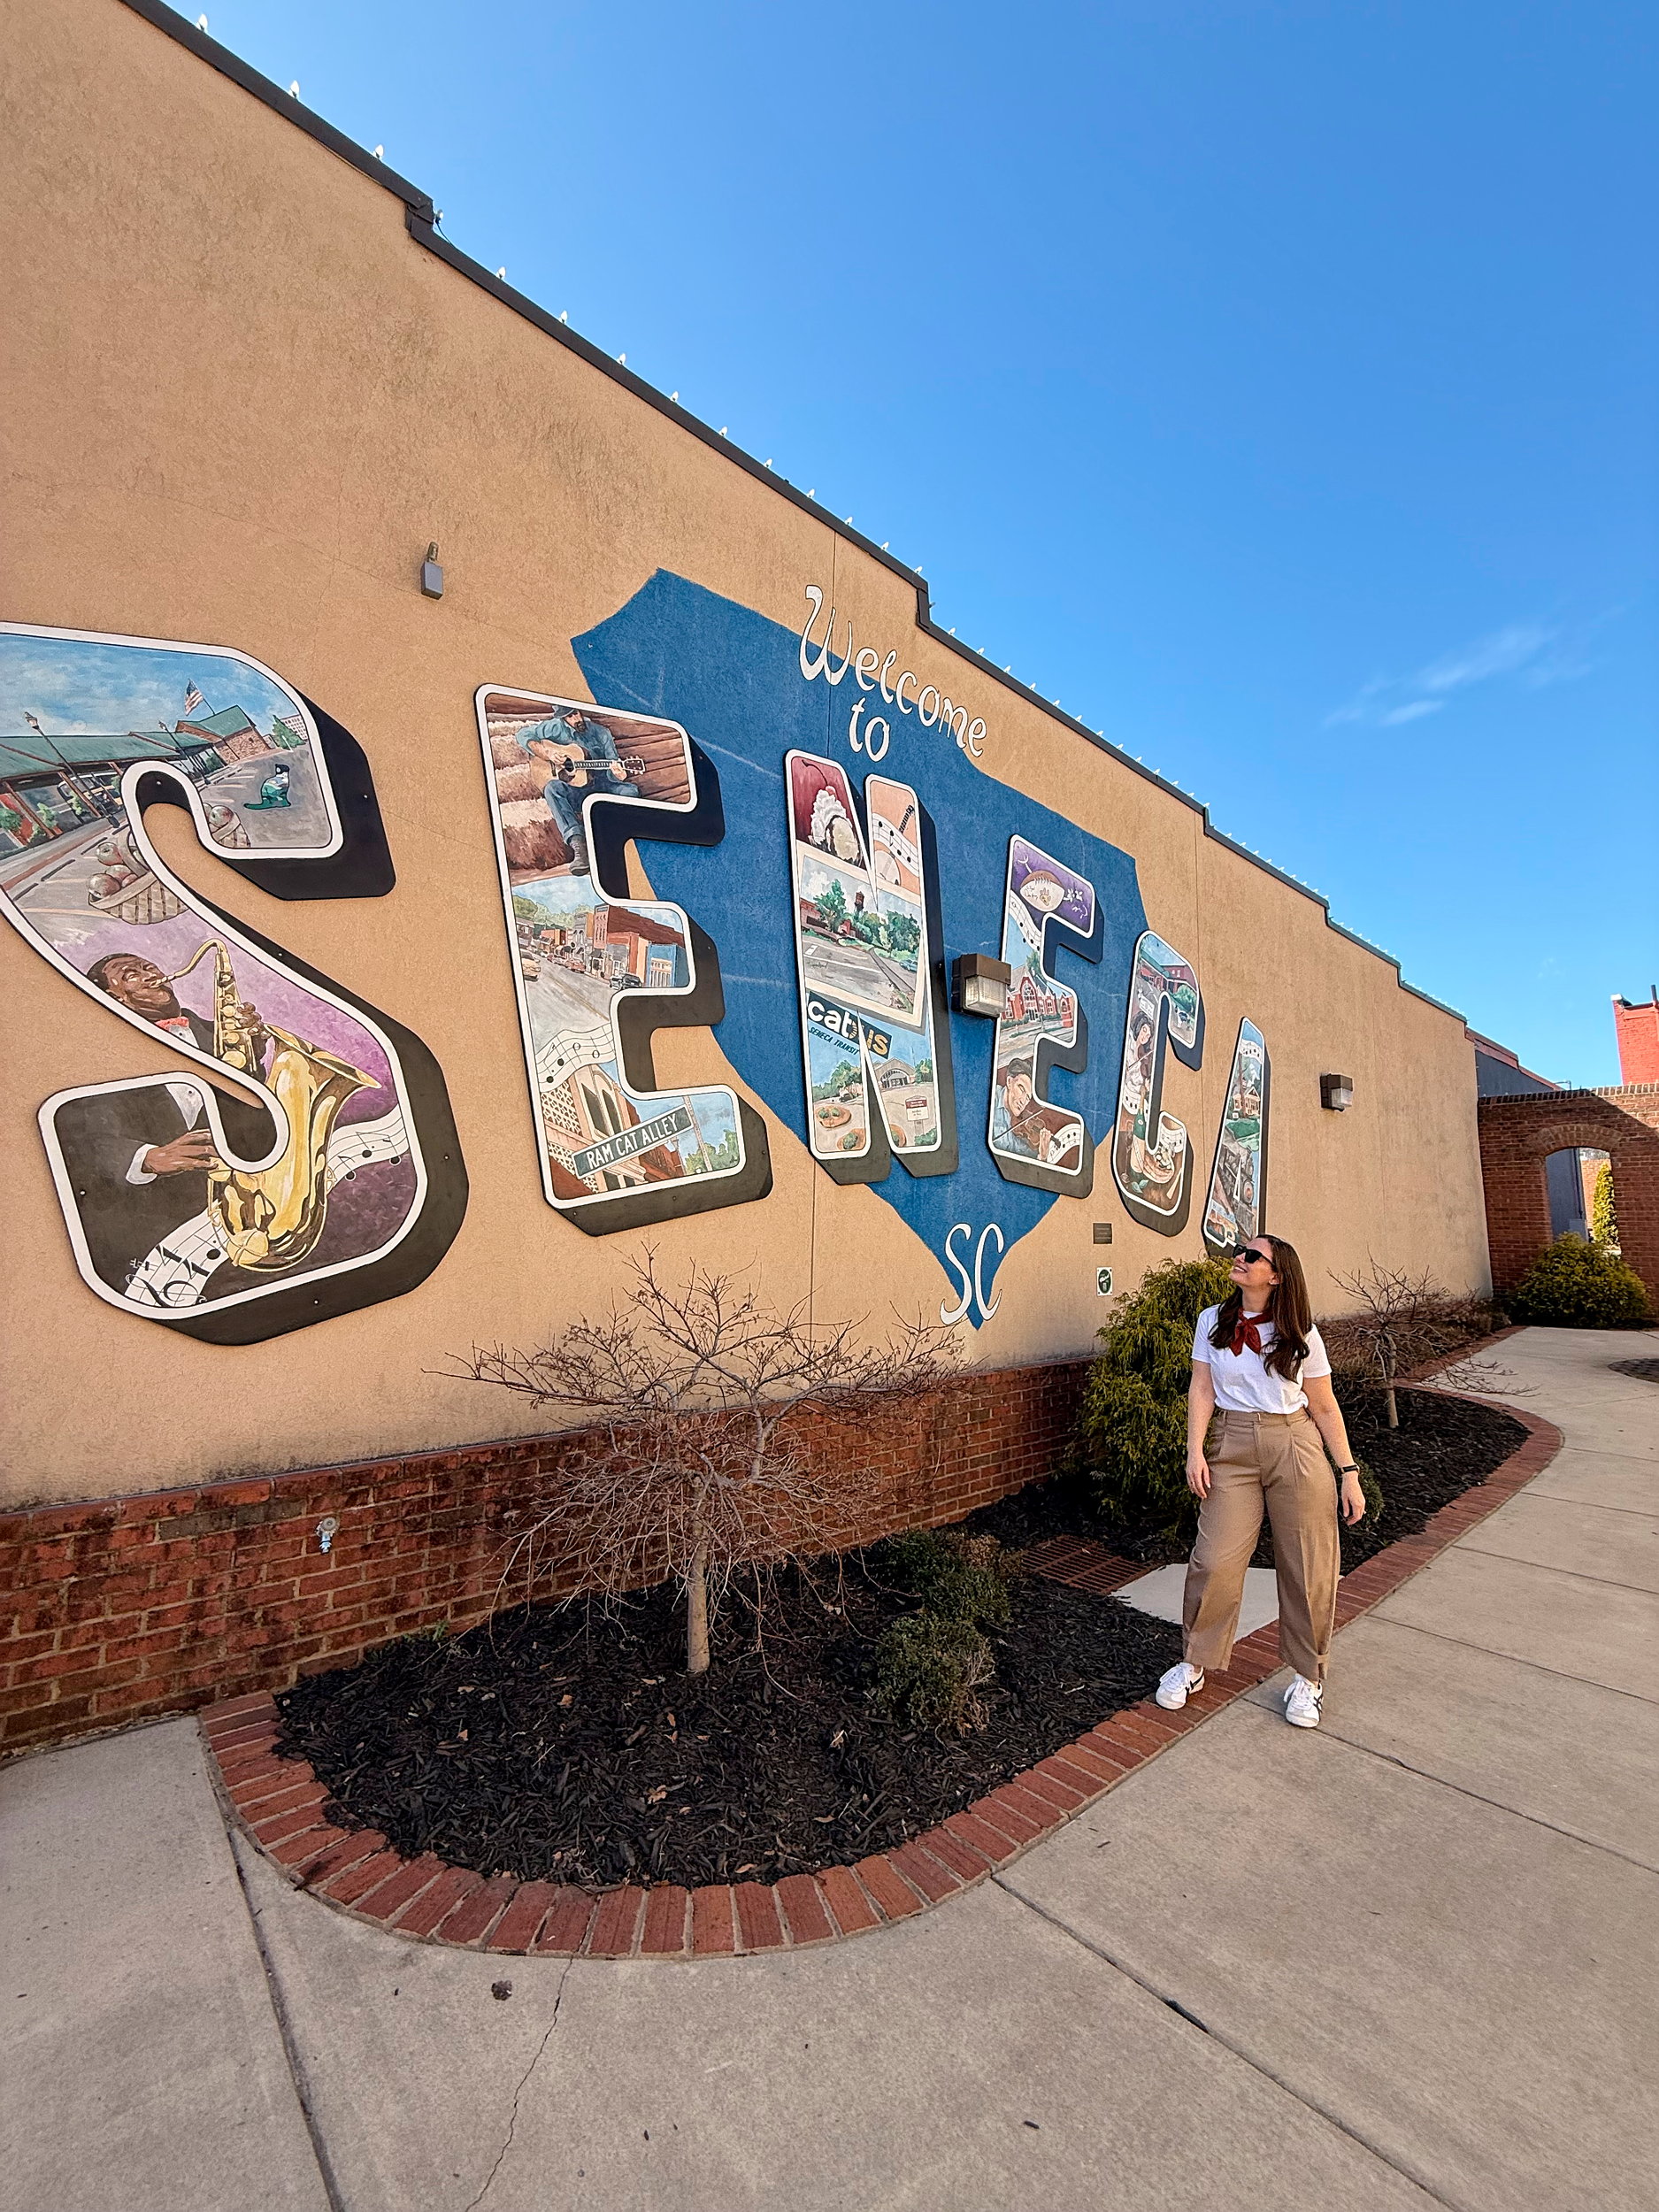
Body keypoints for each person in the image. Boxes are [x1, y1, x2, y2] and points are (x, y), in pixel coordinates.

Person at [1156, 1234, 1365, 1730]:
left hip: (1294, 1443)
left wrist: (1349, 1473)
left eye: (1253, 1256)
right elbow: (1201, 1389)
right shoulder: (1212, 1320)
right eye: (1239, 1251)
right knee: (1214, 1558)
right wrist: (1194, 1451)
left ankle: (1309, 1677)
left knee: (1308, 1563)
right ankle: (1196, 1662)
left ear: (1276, 1275)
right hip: (1230, 1444)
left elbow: (1323, 1405)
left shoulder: (1301, 1333)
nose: (1240, 1258)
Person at [519, 709, 639, 875]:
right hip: (576, 790)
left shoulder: (601, 733)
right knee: (552, 788)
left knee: (630, 793)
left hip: (603, 786)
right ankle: (579, 847)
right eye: (570, 716)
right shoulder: (555, 728)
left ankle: (608, 846)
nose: (576, 718)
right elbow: (523, 734)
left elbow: (613, 763)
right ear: (562, 718)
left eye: (577, 713)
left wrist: (619, 773)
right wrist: (548, 753)